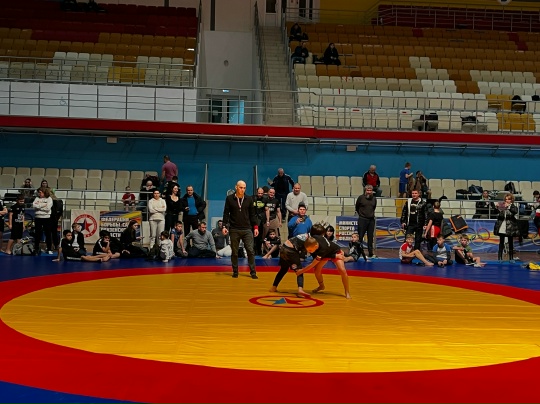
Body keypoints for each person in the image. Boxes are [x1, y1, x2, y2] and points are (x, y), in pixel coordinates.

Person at [296, 224, 351, 299]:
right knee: (317, 270)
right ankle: (321, 286)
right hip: (326, 253)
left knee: (342, 270)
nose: (309, 252)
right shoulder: (313, 239)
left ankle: (347, 291)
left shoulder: (322, 250)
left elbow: (312, 264)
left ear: (315, 247)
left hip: (335, 252)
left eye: (310, 251)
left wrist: (301, 271)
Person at [222, 180, 259, 279]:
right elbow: (226, 213)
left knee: (250, 251)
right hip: (234, 229)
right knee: (234, 252)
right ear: (236, 187)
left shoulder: (249, 199)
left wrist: (255, 227)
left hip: (247, 229)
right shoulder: (229, 199)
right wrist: (224, 226)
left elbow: (252, 214)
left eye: (244, 188)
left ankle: (253, 272)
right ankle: (235, 271)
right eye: (241, 187)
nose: (242, 190)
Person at [269, 234, 319, 298]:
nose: (310, 252)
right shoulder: (309, 241)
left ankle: (274, 287)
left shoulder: (307, 237)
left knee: (283, 269)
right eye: (309, 250)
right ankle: (300, 290)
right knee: (299, 271)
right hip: (290, 251)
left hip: (283, 248)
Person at [494, 193, 520, 262]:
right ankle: (500, 258)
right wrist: (496, 207)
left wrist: (509, 207)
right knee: (501, 242)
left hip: (510, 226)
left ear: (511, 200)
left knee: (510, 242)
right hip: (502, 225)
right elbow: (496, 212)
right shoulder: (502, 205)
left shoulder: (513, 206)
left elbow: (515, 211)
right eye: (506, 199)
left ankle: (511, 258)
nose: (507, 200)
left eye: (508, 199)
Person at [355, 184, 377, 258]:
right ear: (365, 190)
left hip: (371, 220)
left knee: (370, 237)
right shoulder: (361, 198)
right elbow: (357, 207)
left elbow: (374, 208)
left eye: (370, 190)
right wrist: (361, 215)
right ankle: (359, 252)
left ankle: (370, 253)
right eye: (368, 190)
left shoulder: (374, 199)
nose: (369, 192)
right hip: (362, 219)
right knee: (360, 237)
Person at [32, 186, 53, 255]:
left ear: (44, 192)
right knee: (37, 233)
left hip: (46, 217)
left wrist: (39, 206)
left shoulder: (49, 199)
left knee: (48, 233)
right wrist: (43, 205)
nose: (39, 193)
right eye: (38, 192)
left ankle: (49, 248)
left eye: (40, 192)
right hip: (38, 217)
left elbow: (48, 208)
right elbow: (34, 206)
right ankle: (36, 248)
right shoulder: (37, 198)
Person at [252, 187, 267, 255]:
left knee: (260, 236)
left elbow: (266, 210)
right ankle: (253, 250)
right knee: (253, 236)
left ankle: (259, 250)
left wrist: (266, 219)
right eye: (259, 193)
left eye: (261, 193)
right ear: (256, 193)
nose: (260, 195)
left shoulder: (265, 199)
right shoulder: (252, 198)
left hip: (260, 220)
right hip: (253, 219)